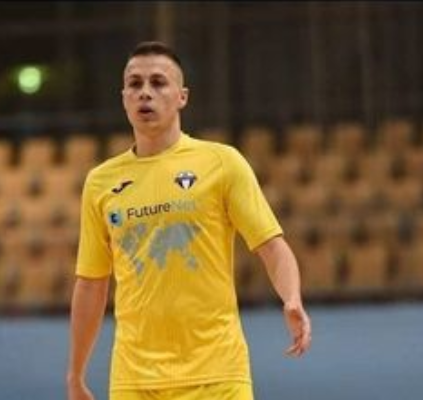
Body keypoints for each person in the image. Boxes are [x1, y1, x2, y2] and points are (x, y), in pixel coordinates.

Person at [67, 41, 312, 400]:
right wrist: (76, 374)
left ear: (182, 96)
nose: (145, 92)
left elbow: (272, 246)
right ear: (123, 98)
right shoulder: (100, 182)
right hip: (135, 381)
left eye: (158, 82)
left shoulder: (222, 163)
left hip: (217, 376)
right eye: (135, 84)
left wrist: (291, 298)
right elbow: (91, 283)